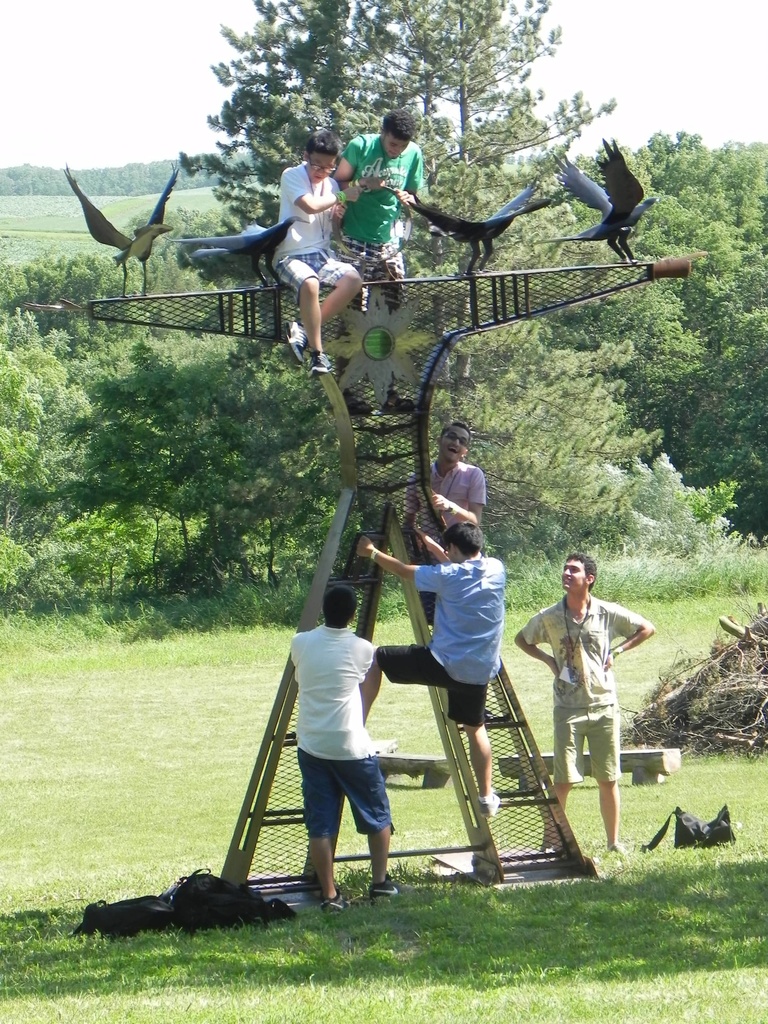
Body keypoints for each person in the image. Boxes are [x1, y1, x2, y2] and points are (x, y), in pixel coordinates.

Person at [356, 522, 505, 817]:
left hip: (444, 665)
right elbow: (458, 565)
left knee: (375, 658)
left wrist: (371, 552)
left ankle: (355, 728)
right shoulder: (496, 568)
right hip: (481, 670)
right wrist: (435, 546)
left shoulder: (447, 575)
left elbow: (403, 570)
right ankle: (487, 796)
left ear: (452, 549)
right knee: (476, 729)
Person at [514, 553, 656, 853]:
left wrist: (617, 653)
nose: (566, 573)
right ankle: (552, 843)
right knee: (564, 779)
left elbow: (647, 628)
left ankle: (613, 842)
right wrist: (549, 661)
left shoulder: (606, 612)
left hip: (604, 705)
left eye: (574, 570)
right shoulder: (549, 616)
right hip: (568, 708)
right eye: (565, 569)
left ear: (589, 579)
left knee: (608, 777)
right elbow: (522, 639)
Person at [290, 584, 398, 911]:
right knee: (377, 815)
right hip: (352, 745)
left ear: (324, 610)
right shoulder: (363, 649)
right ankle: (379, 883)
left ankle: (330, 894)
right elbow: (373, 670)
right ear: (353, 615)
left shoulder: (300, 643)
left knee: (319, 823)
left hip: (311, 744)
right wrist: (362, 712)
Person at [274, 130, 364, 375]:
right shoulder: (292, 175)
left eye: (328, 167)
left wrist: (337, 217)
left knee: (353, 280)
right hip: (290, 254)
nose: (321, 172)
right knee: (310, 284)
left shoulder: (332, 185)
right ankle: (318, 355)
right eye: (316, 165)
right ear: (305, 156)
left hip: (322, 255)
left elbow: (331, 227)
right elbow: (310, 206)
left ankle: (303, 328)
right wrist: (343, 195)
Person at [334, 109, 425, 288]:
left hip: (389, 241)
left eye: (403, 146)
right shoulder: (360, 146)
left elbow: (414, 196)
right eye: (392, 144)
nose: (396, 151)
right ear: (382, 132)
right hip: (353, 236)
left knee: (394, 299)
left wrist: (408, 198)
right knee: (352, 304)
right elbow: (336, 184)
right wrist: (362, 182)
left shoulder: (414, 153)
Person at [405, 420, 486, 542]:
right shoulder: (416, 478)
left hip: (458, 553)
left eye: (462, 441)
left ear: (465, 452)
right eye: (452, 437)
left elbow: (475, 521)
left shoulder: (473, 475)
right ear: (439, 440)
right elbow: (408, 523)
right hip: (426, 553)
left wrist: (451, 507)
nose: (456, 442)